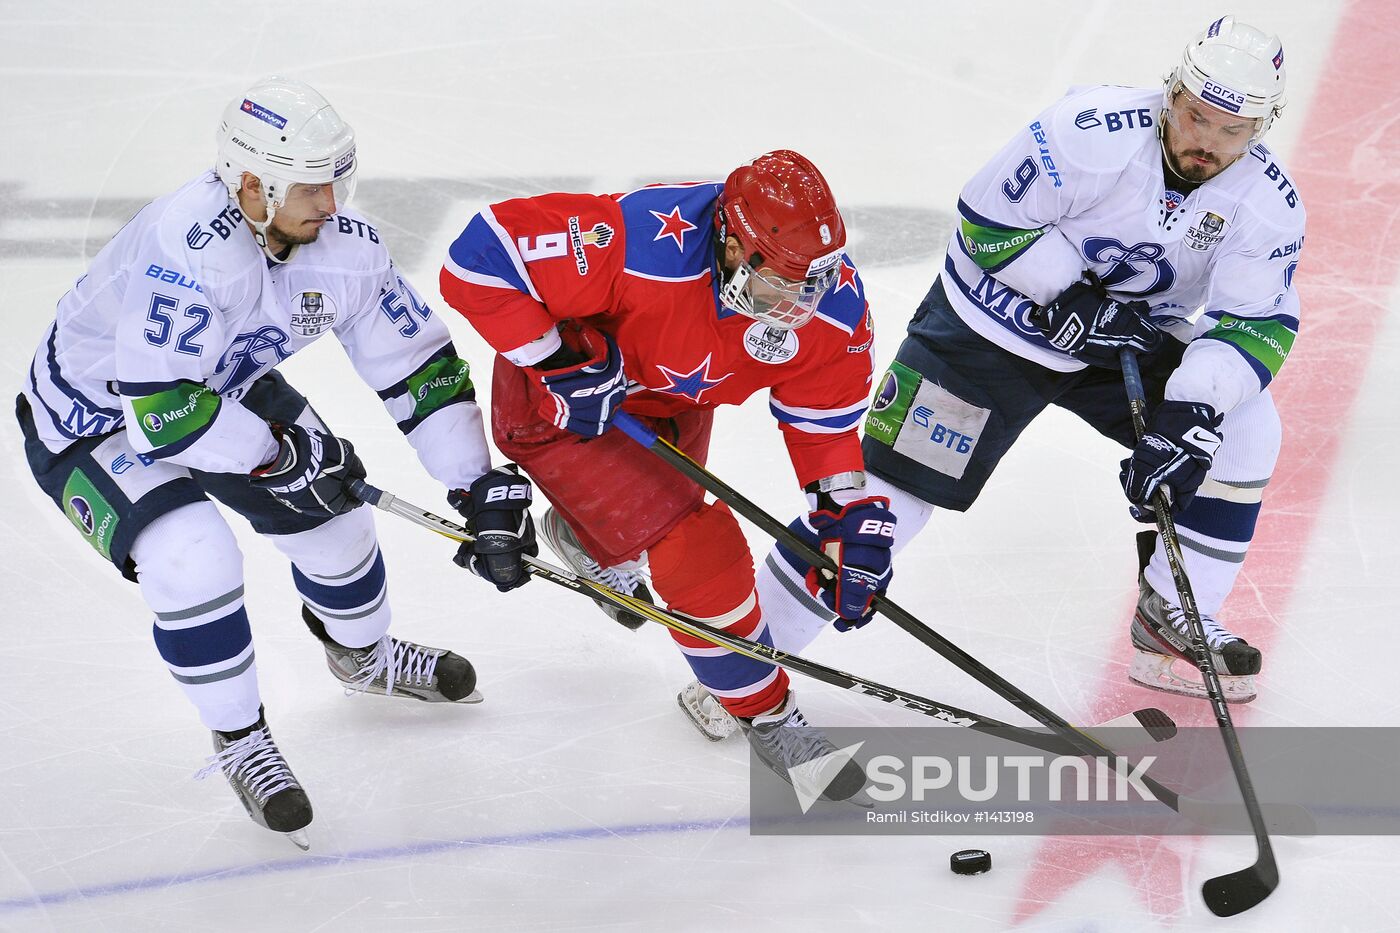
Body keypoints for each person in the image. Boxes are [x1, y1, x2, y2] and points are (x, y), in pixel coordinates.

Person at [716, 15, 1301, 727]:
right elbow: (986, 222)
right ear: (1172, 91)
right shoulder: (1091, 130)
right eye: (1195, 114)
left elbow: (1257, 323)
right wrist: (1069, 294)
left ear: (1262, 128)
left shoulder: (1268, 204)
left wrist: (1194, 409)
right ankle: (744, 664)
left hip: (1122, 343)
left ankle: (1175, 614)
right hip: (989, 330)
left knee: (1240, 430)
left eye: (1231, 131)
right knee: (886, 502)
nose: (1205, 139)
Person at [15, 76, 536, 848]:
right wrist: (275, 454)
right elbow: (160, 411)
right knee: (194, 559)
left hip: (219, 384)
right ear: (251, 183)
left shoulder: (342, 247)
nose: (333, 204)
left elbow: (416, 364)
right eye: (315, 186)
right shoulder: (184, 248)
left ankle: (361, 655)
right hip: (95, 421)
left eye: (338, 181)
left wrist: (477, 482)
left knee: (338, 523)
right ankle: (239, 737)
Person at [439, 151, 895, 799]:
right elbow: (477, 255)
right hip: (568, 409)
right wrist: (557, 361)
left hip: (671, 407)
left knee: (655, 530)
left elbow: (823, 428)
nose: (799, 304)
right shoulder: (636, 241)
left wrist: (841, 519)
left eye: (813, 281)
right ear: (732, 242)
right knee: (699, 549)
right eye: (783, 281)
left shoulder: (829, 309)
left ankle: (588, 532)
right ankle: (768, 715)